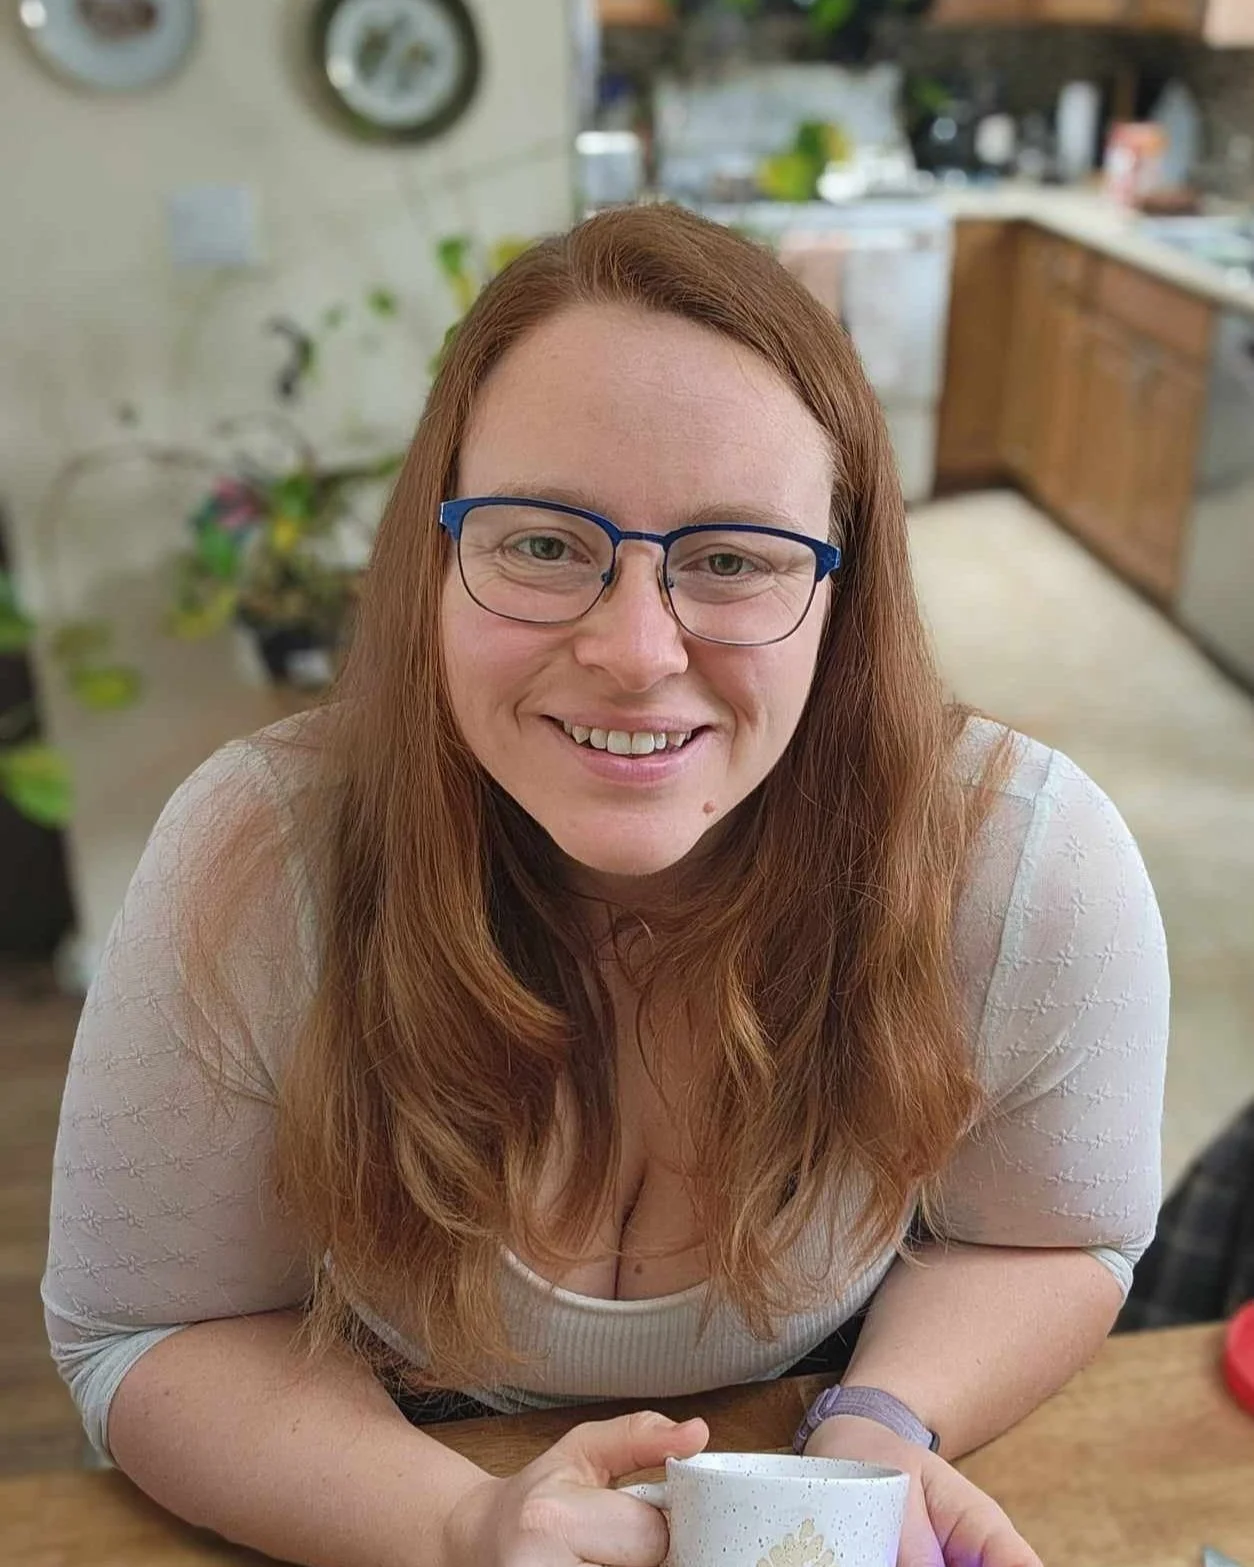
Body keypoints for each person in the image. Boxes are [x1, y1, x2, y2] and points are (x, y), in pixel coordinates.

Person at [43, 204, 1170, 1567]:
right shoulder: (257, 855)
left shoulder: (1020, 859)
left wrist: (880, 1419)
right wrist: (461, 1520)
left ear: (845, 590)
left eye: (732, 558)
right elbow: (155, 1326)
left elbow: (1050, 1238)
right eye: (541, 543)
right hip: (372, 1457)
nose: (635, 652)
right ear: (435, 554)